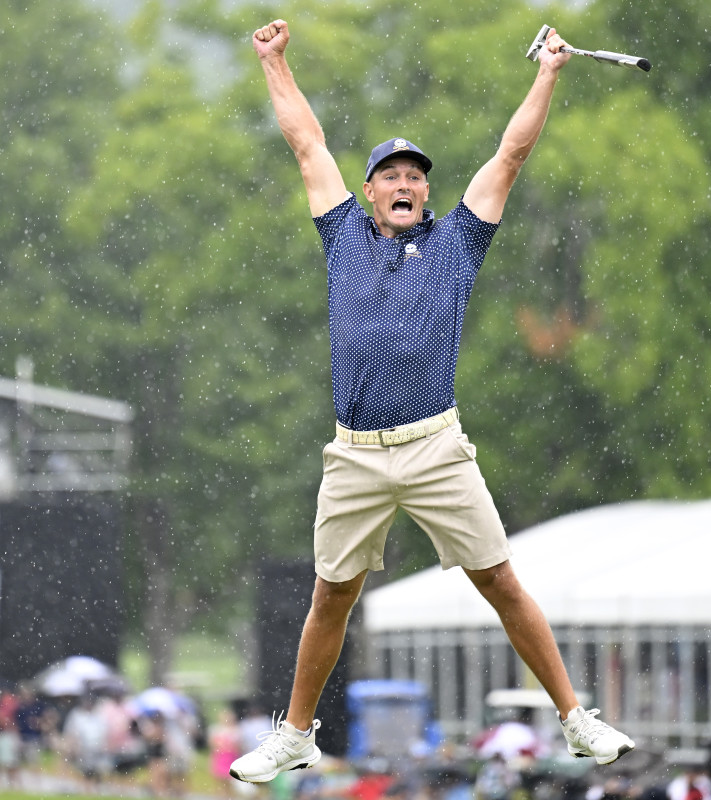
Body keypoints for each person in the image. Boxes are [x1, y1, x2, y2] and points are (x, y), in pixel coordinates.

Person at [230, 19, 635, 785]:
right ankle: (295, 733)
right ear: (372, 189)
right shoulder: (342, 231)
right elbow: (307, 143)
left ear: (426, 192)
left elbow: (510, 154)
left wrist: (548, 73)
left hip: (434, 447)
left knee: (501, 582)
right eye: (392, 175)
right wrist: (273, 61)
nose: (406, 184)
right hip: (355, 452)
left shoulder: (457, 242)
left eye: (417, 176)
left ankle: (575, 718)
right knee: (331, 595)